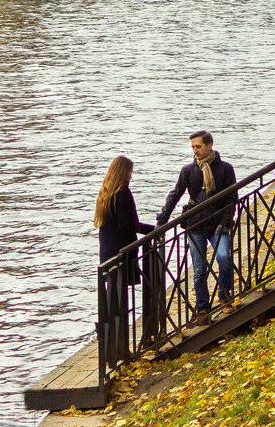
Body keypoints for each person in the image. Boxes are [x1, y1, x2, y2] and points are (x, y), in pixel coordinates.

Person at [158, 131, 238, 324]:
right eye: (193, 147)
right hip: (196, 225)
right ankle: (203, 309)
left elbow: (231, 198)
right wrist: (162, 219)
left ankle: (225, 298)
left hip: (219, 223)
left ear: (209, 146)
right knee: (200, 268)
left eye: (198, 146)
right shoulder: (189, 170)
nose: (195, 151)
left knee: (224, 257)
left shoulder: (225, 169)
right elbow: (175, 194)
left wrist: (226, 221)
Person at [96, 155, 154, 283]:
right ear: (123, 172)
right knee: (121, 291)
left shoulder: (105, 193)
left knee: (114, 294)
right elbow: (125, 226)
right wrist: (152, 230)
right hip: (122, 252)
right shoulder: (123, 193)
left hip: (107, 251)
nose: (131, 176)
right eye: (130, 172)